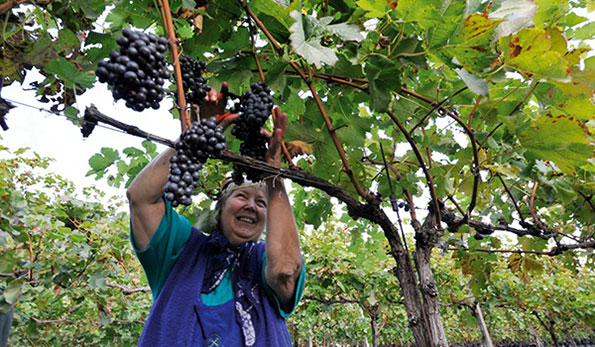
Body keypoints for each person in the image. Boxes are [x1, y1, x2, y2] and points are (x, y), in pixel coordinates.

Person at [126, 84, 305, 346]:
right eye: (241, 196)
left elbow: (286, 270)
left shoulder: (263, 259)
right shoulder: (181, 248)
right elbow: (141, 197)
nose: (251, 206)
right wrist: (199, 136)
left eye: (261, 203)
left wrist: (273, 178)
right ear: (220, 210)